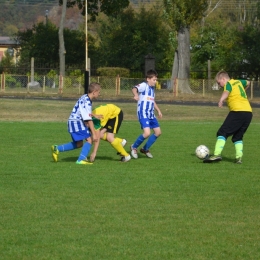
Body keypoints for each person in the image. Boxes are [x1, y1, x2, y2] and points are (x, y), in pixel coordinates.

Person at [203, 70, 252, 164]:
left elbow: (226, 91)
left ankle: (216, 155)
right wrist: (243, 91)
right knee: (238, 137)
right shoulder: (238, 82)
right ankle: (239, 158)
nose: (220, 85)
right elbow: (248, 82)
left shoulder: (229, 84)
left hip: (238, 111)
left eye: (219, 82)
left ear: (223, 79)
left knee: (222, 132)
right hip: (248, 113)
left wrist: (221, 100)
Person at [51, 82, 101, 165]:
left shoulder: (84, 97)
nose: (99, 94)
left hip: (73, 121)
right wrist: (94, 134)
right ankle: (81, 159)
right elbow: (88, 119)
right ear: (94, 92)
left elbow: (84, 112)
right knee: (89, 140)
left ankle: (57, 149)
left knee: (79, 144)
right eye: (99, 92)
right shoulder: (87, 102)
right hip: (76, 122)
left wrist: (94, 115)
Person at [130, 69, 162, 159]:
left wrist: (158, 110)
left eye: (156, 80)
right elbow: (134, 88)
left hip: (151, 114)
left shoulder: (152, 89)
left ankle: (145, 149)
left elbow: (152, 101)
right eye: (154, 80)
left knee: (158, 132)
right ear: (148, 79)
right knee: (147, 133)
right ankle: (133, 147)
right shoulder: (144, 85)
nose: (155, 82)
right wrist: (136, 95)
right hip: (143, 113)